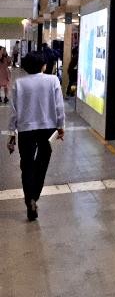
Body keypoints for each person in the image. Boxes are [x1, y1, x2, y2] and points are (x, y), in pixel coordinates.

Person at [6, 52, 65, 221]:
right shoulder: (53, 80)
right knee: (42, 162)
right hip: (48, 128)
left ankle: (29, 199)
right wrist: (60, 126)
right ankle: (34, 196)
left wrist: (11, 133)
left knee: (27, 165)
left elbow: (14, 110)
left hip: (26, 129)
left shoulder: (19, 83)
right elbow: (59, 106)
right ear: (43, 65)